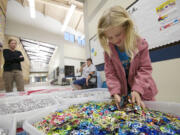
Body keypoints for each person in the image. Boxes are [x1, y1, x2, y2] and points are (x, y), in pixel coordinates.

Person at [97, 6, 158, 110]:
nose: (115, 40)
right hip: (124, 95)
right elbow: (110, 74)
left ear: (126, 26)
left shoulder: (140, 44)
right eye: (110, 37)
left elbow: (145, 69)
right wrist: (115, 91)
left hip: (143, 92)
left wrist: (137, 89)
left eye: (118, 34)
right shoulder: (108, 52)